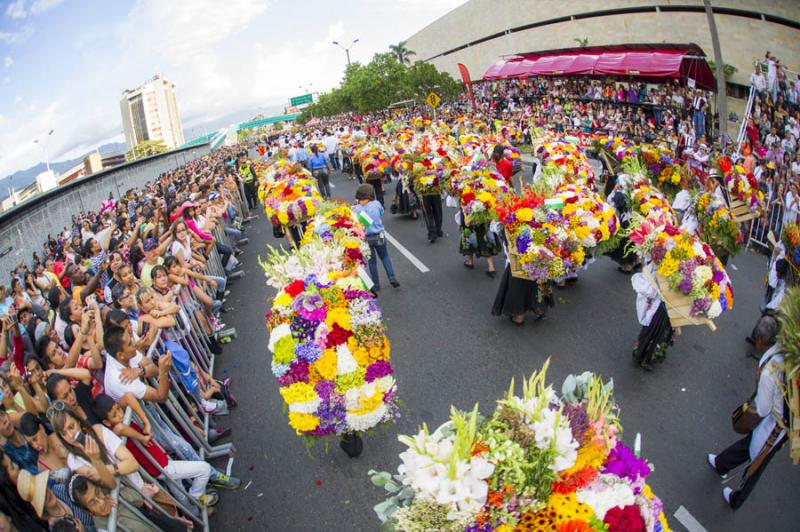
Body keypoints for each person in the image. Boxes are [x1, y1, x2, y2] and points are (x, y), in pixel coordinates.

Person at [708, 315, 786, 509]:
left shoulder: (770, 373)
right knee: (752, 443)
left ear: (761, 341)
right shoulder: (779, 350)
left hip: (777, 424)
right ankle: (721, 463)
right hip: (774, 418)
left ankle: (737, 499)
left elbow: (763, 409)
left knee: (758, 460)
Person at [491, 232, 550, 326]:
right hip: (539, 246)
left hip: (521, 250)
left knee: (519, 279)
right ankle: (540, 309)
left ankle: (519, 315)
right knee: (538, 277)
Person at [352, 185, 399, 292]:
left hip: (366, 239)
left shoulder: (356, 209)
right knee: (385, 257)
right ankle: (392, 278)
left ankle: (376, 284)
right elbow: (381, 212)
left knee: (372, 262)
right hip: (379, 236)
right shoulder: (376, 204)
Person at [630, 264, 673, 371]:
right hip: (662, 302)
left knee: (665, 331)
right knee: (653, 327)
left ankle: (650, 355)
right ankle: (642, 353)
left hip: (673, 304)